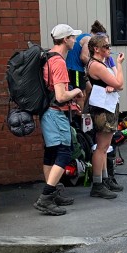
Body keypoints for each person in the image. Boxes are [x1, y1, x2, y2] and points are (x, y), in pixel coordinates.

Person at [34, 24, 85, 215]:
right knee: (65, 151)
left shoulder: (48, 57)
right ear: (65, 40)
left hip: (47, 111)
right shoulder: (59, 63)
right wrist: (77, 90)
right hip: (56, 113)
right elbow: (61, 95)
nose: (75, 40)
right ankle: (46, 198)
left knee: (51, 152)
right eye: (72, 37)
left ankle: (53, 192)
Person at [85, 31, 125, 199]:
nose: (109, 49)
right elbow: (119, 83)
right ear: (96, 48)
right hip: (103, 109)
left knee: (105, 146)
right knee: (101, 147)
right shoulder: (97, 65)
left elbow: (111, 84)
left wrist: (112, 86)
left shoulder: (100, 63)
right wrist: (119, 64)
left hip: (106, 106)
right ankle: (97, 184)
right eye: (106, 46)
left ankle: (104, 179)